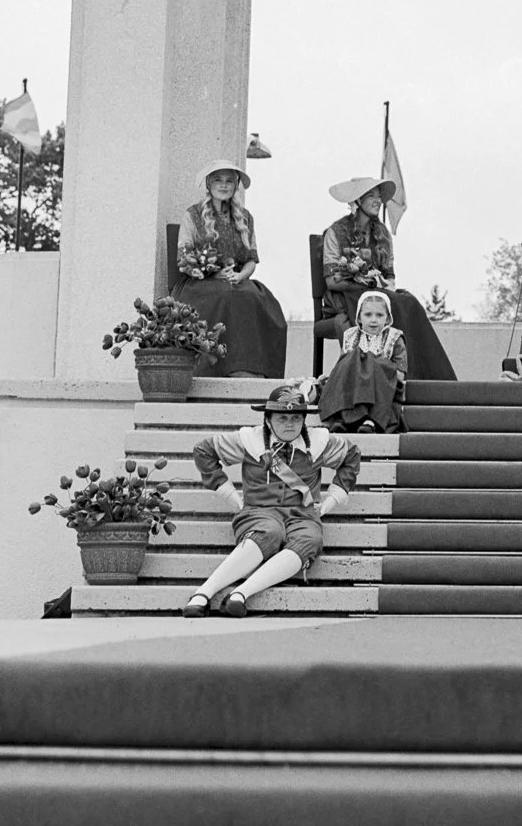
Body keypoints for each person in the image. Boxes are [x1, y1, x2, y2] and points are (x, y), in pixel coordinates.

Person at [185, 382, 361, 617]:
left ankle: (240, 594)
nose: (289, 424)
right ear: (268, 419)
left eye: (296, 418)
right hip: (259, 511)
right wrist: (230, 495)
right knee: (268, 531)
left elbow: (351, 456)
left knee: (309, 539)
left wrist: (332, 501)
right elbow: (203, 451)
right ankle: (203, 593)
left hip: (303, 513)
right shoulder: (249, 440)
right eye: (282, 418)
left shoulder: (318, 442)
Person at [319, 177, 456, 380]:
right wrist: (362, 281)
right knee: (392, 303)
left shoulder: (382, 233)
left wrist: (384, 284)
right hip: (345, 294)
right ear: (357, 201)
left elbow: (389, 276)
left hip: (378, 293)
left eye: (379, 197)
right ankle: (402, 375)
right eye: (371, 196)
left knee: (409, 303)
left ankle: (430, 377)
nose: (378, 201)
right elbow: (332, 281)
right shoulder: (336, 232)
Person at [174, 158, 289, 379]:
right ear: (209, 184)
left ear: (236, 185)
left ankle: (252, 368)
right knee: (227, 295)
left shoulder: (245, 217)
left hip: (236, 278)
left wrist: (240, 275)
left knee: (255, 297)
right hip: (200, 282)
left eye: (229, 181)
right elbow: (184, 257)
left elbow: (251, 259)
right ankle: (217, 368)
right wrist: (213, 272)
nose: (224, 185)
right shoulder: (192, 215)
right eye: (218, 180)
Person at [317, 289, 408, 433]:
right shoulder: (351, 336)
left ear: (388, 318)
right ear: (359, 318)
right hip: (355, 387)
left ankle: (371, 421)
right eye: (368, 315)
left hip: (384, 388)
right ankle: (344, 420)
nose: (373, 320)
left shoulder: (394, 338)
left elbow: (400, 375)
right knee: (352, 361)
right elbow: (343, 368)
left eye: (379, 315)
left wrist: (370, 364)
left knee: (364, 362)